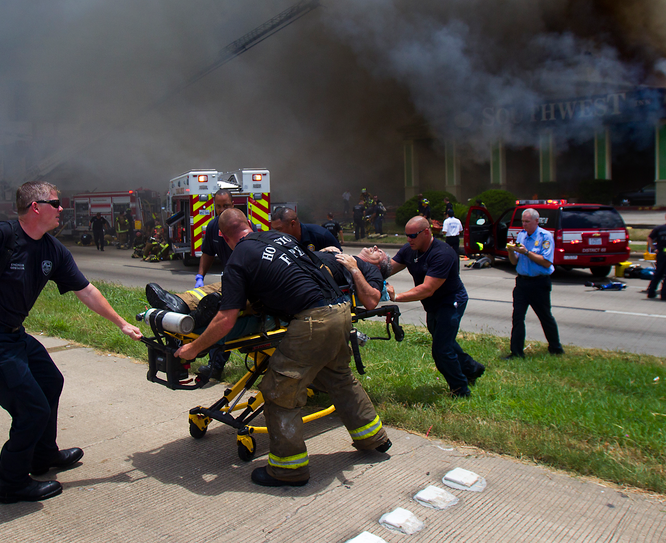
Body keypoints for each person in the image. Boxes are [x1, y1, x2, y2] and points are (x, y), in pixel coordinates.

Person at [0, 181, 142, 504]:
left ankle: (43, 456)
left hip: (14, 334)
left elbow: (86, 290)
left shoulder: (51, 249)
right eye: (56, 202)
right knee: (31, 410)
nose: (62, 208)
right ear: (36, 207)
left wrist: (121, 323)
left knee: (51, 382)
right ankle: (12, 483)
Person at [175, 209, 391, 487]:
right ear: (251, 225)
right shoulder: (281, 238)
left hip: (313, 321)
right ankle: (374, 439)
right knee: (339, 378)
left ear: (222, 237)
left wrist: (194, 347)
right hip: (340, 311)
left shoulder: (239, 258)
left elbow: (226, 319)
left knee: (279, 393)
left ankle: (289, 469)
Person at [387, 216, 484, 397]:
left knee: (441, 350)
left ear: (426, 232)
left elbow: (427, 289)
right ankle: (472, 368)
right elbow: (388, 269)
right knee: (444, 340)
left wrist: (397, 297)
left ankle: (461, 390)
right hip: (432, 304)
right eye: (406, 235)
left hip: (451, 301)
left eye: (413, 235)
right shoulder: (410, 250)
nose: (409, 239)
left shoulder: (443, 253)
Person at [504, 208, 564, 358]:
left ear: (536, 221)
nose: (524, 225)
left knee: (545, 316)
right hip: (522, 283)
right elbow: (514, 262)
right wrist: (511, 251)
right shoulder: (522, 235)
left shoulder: (545, 236)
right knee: (517, 317)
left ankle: (555, 348)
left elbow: (546, 262)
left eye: (527, 222)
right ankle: (516, 352)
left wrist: (526, 252)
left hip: (539, 283)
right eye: (522, 221)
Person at [195, 189, 237, 381]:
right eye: (218, 206)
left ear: (233, 204)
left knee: (223, 316)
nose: (221, 210)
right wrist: (199, 277)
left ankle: (215, 364)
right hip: (228, 280)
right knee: (212, 311)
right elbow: (207, 253)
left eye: (225, 206)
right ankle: (215, 364)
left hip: (244, 279)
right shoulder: (213, 226)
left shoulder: (240, 225)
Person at [270, 205, 340, 251]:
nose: (276, 233)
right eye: (274, 229)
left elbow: (341, 260)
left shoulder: (321, 235)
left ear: (293, 224)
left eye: (279, 229)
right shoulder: (278, 242)